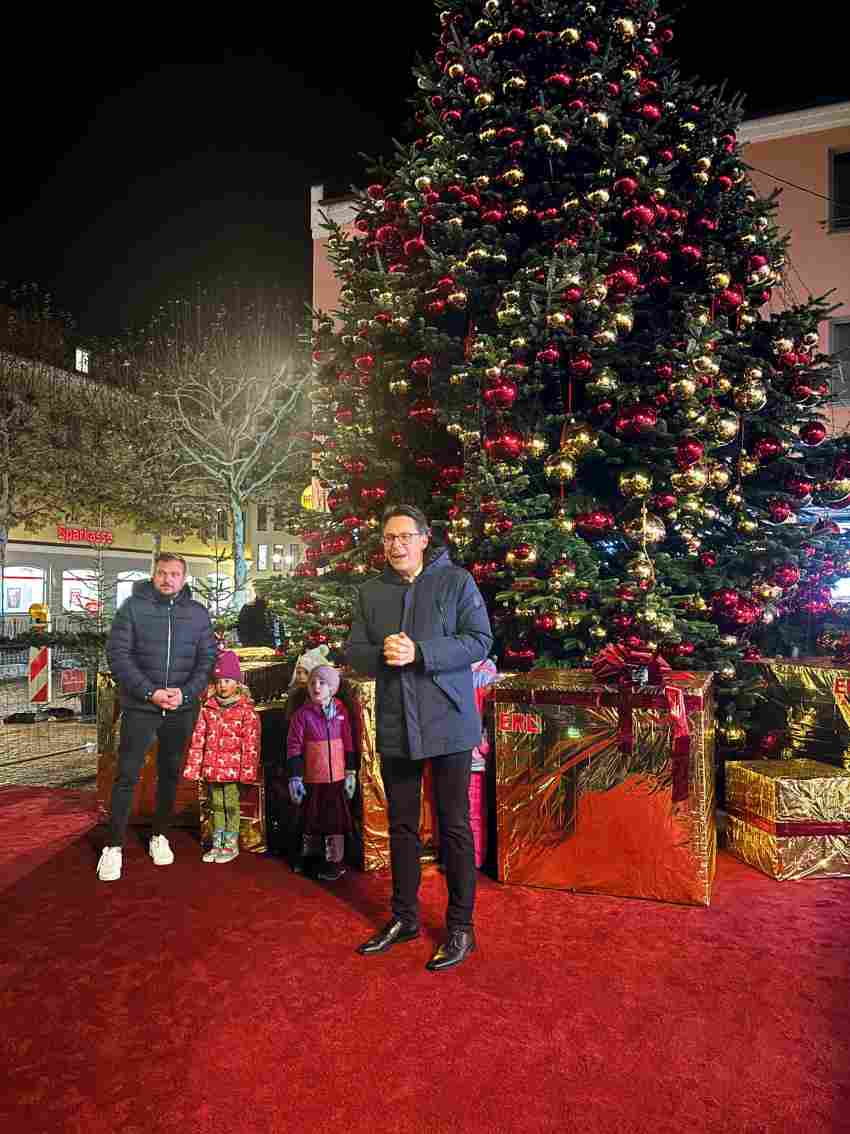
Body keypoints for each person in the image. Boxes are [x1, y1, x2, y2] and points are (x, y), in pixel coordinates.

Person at [346, 504, 493, 971]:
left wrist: (422, 651)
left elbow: (479, 640)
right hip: (395, 724)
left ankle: (460, 928)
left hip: (448, 722)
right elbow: (354, 652)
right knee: (402, 825)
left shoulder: (456, 582)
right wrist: (380, 655)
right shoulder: (371, 592)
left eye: (406, 536)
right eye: (389, 538)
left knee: (453, 826)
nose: (397, 545)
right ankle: (405, 918)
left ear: (425, 539)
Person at [97, 552, 217, 882]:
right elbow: (118, 655)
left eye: (175, 574)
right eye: (162, 573)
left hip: (182, 707)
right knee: (127, 775)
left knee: (170, 773)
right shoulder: (132, 609)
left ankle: (159, 836)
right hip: (141, 706)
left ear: (183, 578)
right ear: (153, 575)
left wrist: (187, 693)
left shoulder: (197, 614)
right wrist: (149, 692)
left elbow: (207, 659)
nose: (168, 579)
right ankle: (114, 846)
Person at [182, 650, 260, 863]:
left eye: (227, 680)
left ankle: (230, 844)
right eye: (218, 681)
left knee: (231, 805)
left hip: (233, 771)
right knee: (215, 805)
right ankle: (217, 843)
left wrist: (247, 772)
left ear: (237, 683)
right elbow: (198, 739)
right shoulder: (208, 709)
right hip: (212, 769)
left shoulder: (246, 711)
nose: (222, 685)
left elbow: (251, 744)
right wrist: (194, 767)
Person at [287, 664, 358, 882]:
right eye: (313, 683)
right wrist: (295, 776)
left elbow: (348, 742)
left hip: (336, 778)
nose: (317, 687)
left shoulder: (341, 712)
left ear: (333, 687)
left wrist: (350, 772)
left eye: (322, 683)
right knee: (311, 819)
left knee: (334, 820)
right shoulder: (302, 715)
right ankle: (310, 858)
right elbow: (294, 746)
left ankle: (334, 862)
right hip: (312, 778)